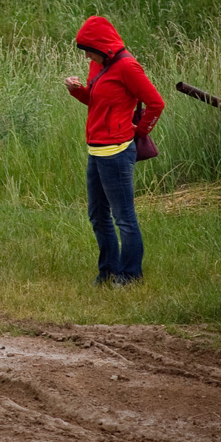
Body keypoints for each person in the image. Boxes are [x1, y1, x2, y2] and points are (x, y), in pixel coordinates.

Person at [63, 15, 164, 285]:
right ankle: (108, 272)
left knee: (124, 218)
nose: (86, 56)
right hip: (96, 152)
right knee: (97, 215)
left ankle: (130, 276)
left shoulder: (128, 67)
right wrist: (78, 91)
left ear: (101, 46)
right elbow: (97, 103)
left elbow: (156, 104)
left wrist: (139, 132)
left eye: (87, 49)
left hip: (117, 153)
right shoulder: (99, 66)